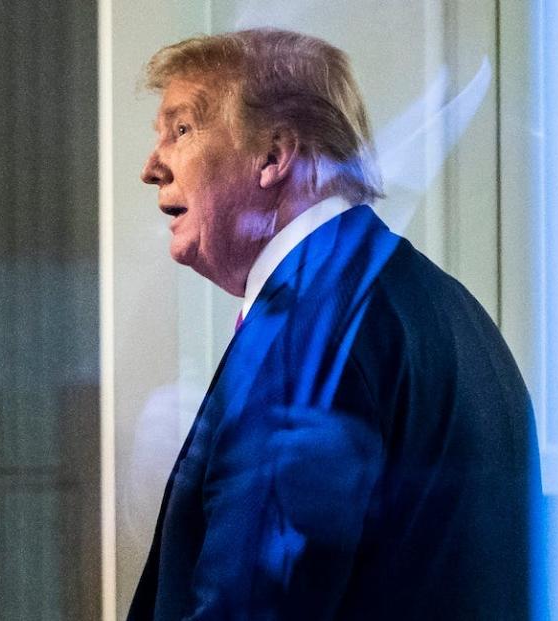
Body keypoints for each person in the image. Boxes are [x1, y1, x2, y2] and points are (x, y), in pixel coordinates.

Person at [128, 29, 536, 620]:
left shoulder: (303, 334)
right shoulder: (445, 307)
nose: (151, 167)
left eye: (181, 129)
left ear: (274, 156)